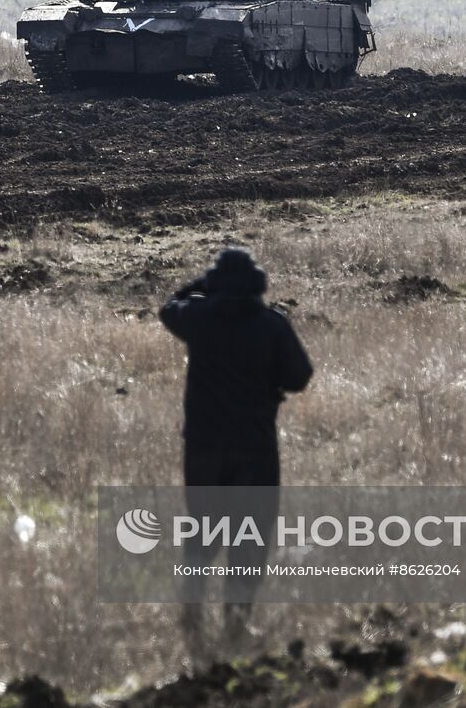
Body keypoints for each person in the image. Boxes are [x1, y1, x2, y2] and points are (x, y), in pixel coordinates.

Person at [159, 247, 314, 654]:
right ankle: (236, 626)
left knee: (202, 537)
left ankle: (192, 621)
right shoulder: (272, 325)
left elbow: (168, 307)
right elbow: (300, 376)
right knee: (249, 540)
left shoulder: (198, 318)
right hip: (254, 450)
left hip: (204, 448)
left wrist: (202, 286)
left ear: (217, 286)